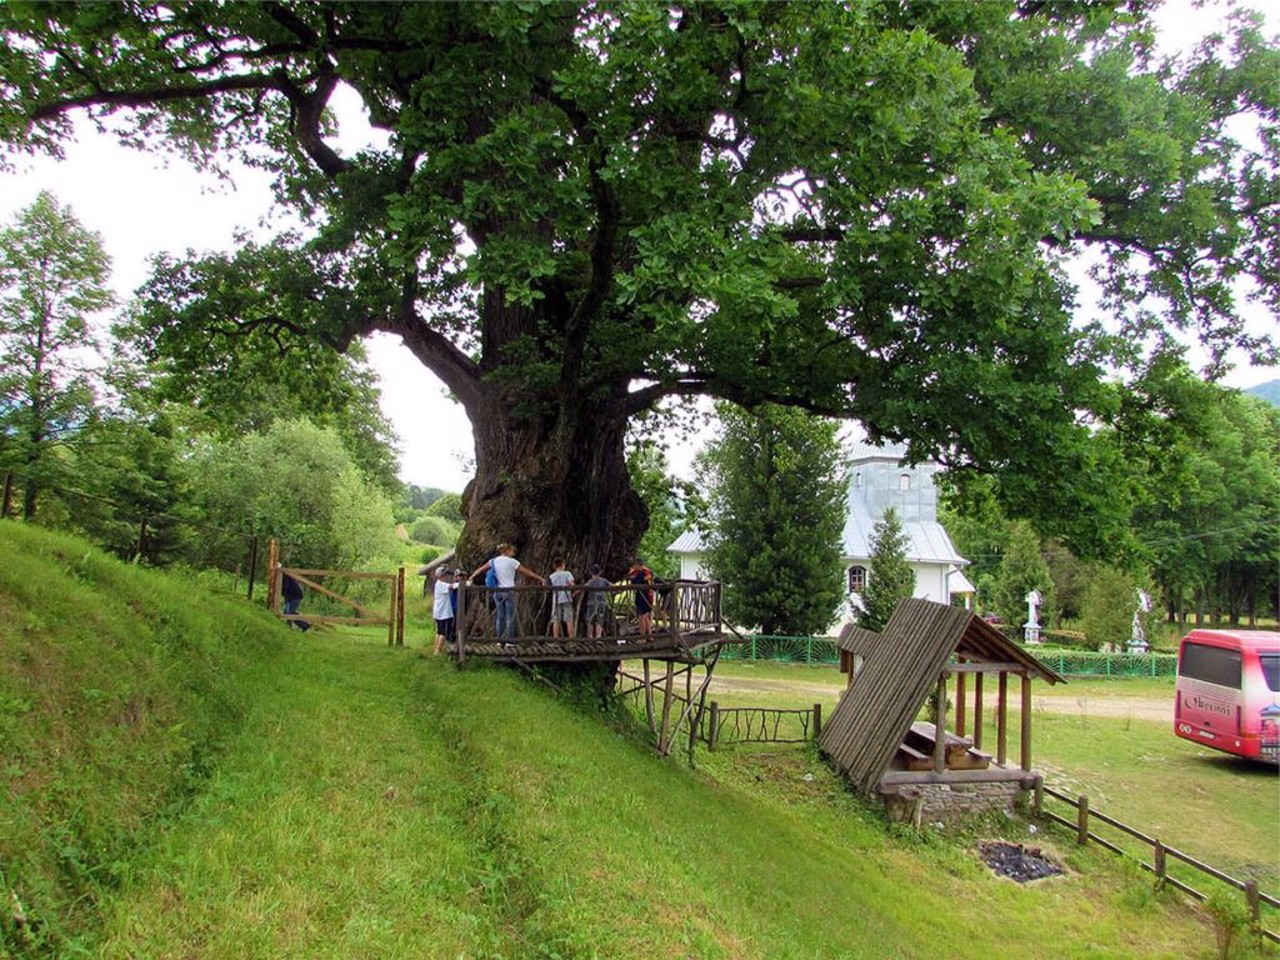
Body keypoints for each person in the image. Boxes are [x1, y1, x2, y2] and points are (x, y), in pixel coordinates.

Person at [470, 543, 544, 640]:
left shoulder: (493, 561)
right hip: (509, 591)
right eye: (512, 551)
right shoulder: (512, 562)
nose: (514, 553)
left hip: (497, 591)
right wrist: (540, 578)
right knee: (510, 616)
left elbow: (480, 569)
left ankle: (500, 639)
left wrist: (471, 577)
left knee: (500, 617)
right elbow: (526, 571)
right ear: (507, 551)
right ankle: (510, 640)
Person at [548, 558, 576, 638]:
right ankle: (571, 639)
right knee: (569, 620)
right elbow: (572, 585)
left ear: (554, 566)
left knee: (556, 620)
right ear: (563, 565)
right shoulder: (567, 574)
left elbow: (549, 587)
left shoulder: (552, 576)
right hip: (567, 598)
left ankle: (556, 638)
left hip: (556, 599)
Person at [628, 558, 654, 639]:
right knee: (645, 617)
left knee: (642, 617)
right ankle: (649, 635)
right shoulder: (641, 572)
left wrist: (632, 576)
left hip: (645, 596)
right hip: (642, 595)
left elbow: (637, 582)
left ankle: (642, 637)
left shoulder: (644, 572)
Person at [583, 563, 611, 639]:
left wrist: (574, 593)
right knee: (599, 620)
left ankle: (590, 637)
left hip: (592, 603)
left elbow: (583, 588)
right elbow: (613, 586)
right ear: (600, 572)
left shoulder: (590, 582)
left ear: (590, 572)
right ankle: (598, 637)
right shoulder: (604, 581)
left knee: (590, 620)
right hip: (601, 603)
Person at [432, 567, 456, 655]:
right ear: (442, 576)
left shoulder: (437, 584)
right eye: (445, 574)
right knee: (444, 633)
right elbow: (453, 586)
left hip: (439, 612)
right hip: (444, 613)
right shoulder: (441, 584)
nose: (446, 576)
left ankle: (435, 649)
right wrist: (466, 583)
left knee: (439, 632)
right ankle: (437, 651)